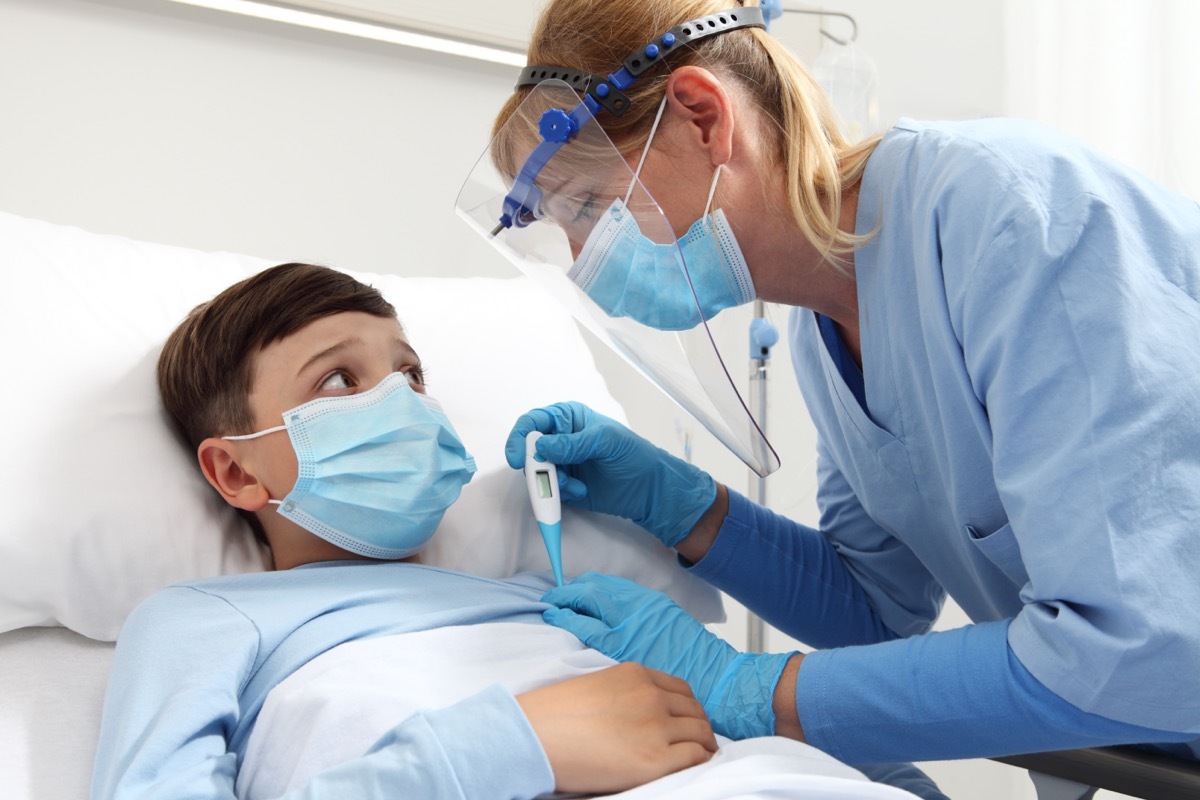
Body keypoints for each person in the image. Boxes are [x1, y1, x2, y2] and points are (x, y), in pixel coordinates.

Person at [478, 0, 1200, 796]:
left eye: (585, 205)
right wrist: (686, 508)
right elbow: (874, 609)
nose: (582, 258)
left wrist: (751, 690)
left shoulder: (1005, 216)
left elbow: (1138, 645)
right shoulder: (823, 329)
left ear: (701, 117)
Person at [91, 262, 721, 799]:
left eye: (411, 375)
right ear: (234, 470)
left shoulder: (547, 595)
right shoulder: (205, 618)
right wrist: (499, 745)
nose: (403, 402)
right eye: (338, 379)